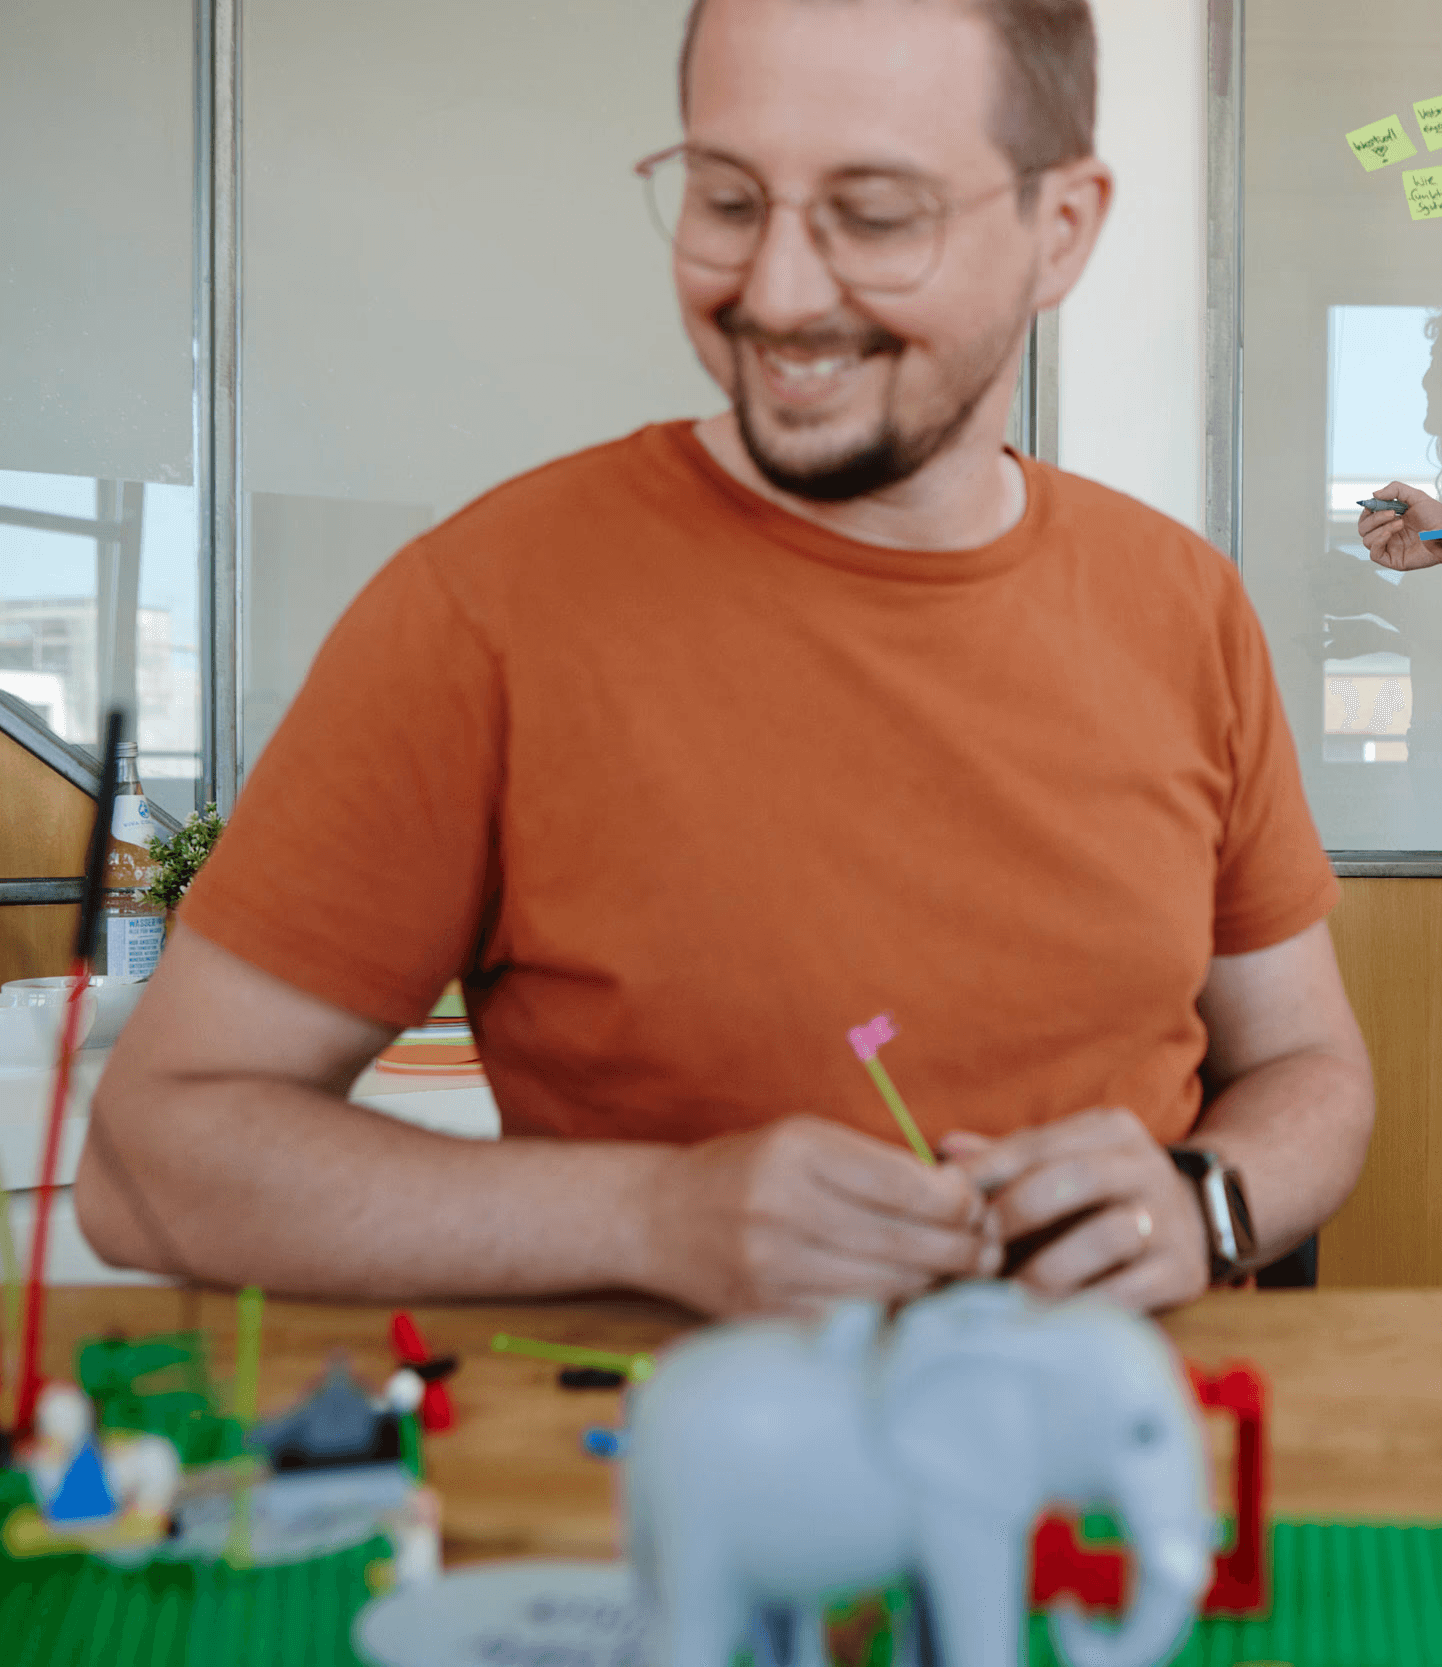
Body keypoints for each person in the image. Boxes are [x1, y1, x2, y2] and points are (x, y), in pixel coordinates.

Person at [77, 0, 1373, 1319]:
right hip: (664, 1481)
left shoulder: (1181, 603)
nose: (781, 293)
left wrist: (1203, 1197)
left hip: (1122, 1476)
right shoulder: (482, 609)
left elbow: (1309, 1063)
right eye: (727, 198)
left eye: (874, 214)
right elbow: (149, 1158)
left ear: (1061, 230)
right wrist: (651, 1211)